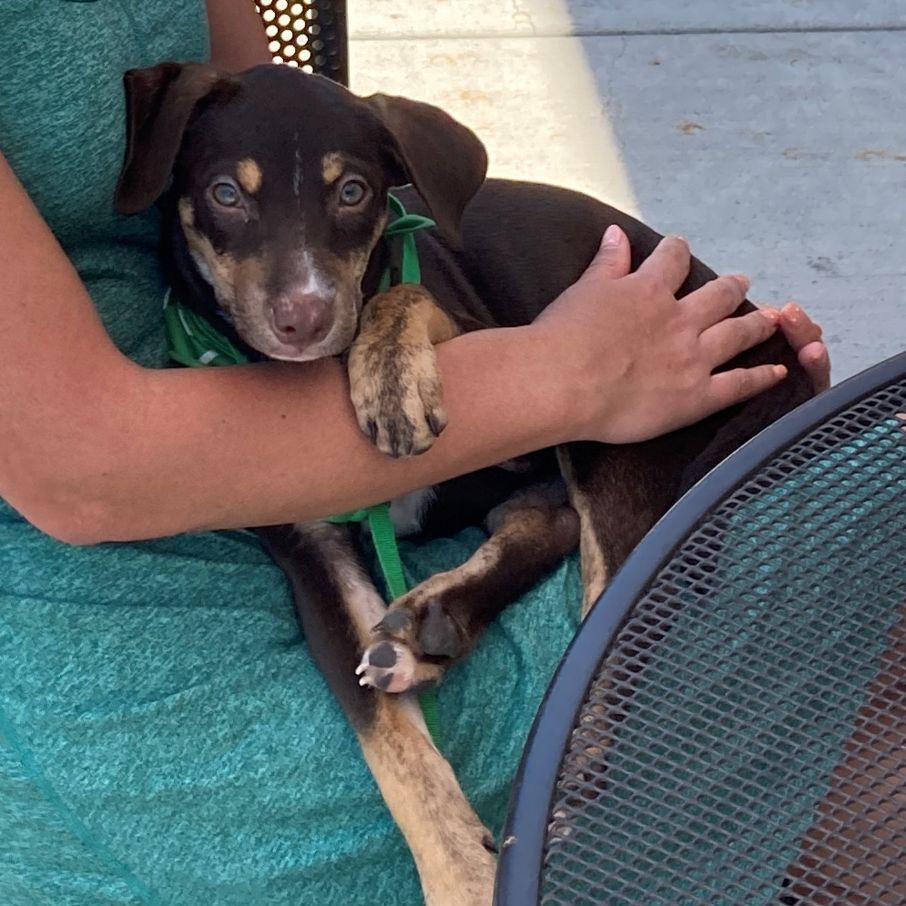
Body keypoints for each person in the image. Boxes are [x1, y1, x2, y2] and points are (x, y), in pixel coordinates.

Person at [0, 2, 830, 904]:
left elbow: (287, 116)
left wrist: (633, 375)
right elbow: (82, 472)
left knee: (835, 507)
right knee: (796, 572)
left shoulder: (323, 225)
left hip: (333, 439)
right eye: (230, 199)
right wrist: (577, 373)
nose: (304, 297)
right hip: (89, 588)